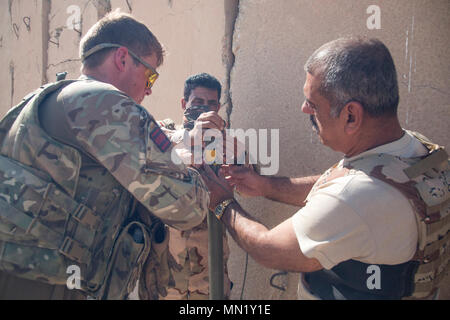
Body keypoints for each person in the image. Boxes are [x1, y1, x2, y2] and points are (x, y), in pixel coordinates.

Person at [199, 37, 449, 300]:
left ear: (351, 116)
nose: (303, 108)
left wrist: (222, 202)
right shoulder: (415, 150)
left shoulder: (356, 197)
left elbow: (270, 249)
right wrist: (266, 186)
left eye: (313, 104)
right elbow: (338, 183)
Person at [0, 10, 209, 300]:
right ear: (123, 59)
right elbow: (188, 207)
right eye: (150, 75)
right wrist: (188, 167)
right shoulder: (106, 103)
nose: (149, 90)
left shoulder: (42, 97)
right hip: (53, 288)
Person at [157, 73, 232, 300]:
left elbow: (249, 179)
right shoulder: (163, 132)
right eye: (197, 102)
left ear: (218, 107)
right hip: (165, 271)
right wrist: (192, 138)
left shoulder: (223, 141)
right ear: (184, 104)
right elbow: (154, 159)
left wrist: (232, 152)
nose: (204, 109)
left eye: (211, 104)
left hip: (210, 271)